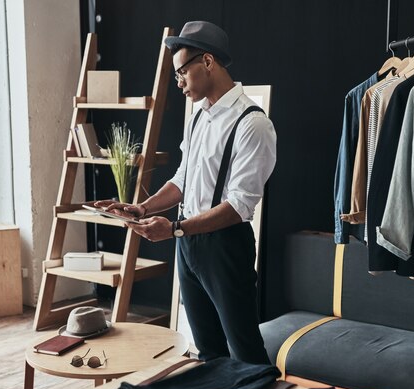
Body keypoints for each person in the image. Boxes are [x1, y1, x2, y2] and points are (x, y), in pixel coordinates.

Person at [95, 21, 277, 364]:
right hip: (188, 245)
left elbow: (239, 206)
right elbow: (183, 178)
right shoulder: (197, 117)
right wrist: (143, 208)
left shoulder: (253, 123)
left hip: (225, 247)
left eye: (181, 72)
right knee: (207, 350)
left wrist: (176, 228)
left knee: (246, 352)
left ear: (207, 61)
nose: (178, 82)